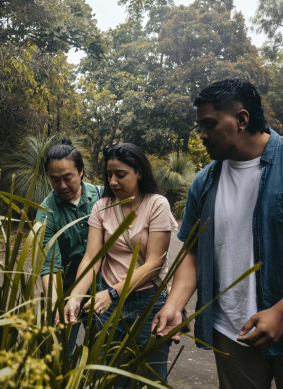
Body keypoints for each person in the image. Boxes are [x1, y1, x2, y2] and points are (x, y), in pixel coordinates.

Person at [151, 79, 283, 389]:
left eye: (209, 124)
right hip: (233, 336)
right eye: (200, 126)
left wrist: (281, 313)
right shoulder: (204, 183)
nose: (202, 134)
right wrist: (175, 304)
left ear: (242, 120)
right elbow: (192, 253)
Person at [64, 143, 178, 383]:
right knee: (109, 377)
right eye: (109, 174)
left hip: (148, 303)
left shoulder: (157, 204)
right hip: (108, 307)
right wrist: (75, 296)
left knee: (152, 378)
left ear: (139, 172)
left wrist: (112, 293)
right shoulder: (101, 207)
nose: (113, 181)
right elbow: (91, 258)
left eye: (121, 174)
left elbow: (156, 262)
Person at [35, 139, 102, 350]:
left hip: (105, 290)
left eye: (67, 178)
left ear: (81, 171)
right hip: (67, 291)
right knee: (61, 354)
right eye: (54, 180)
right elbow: (49, 265)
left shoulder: (103, 197)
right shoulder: (46, 211)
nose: (62, 186)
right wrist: (55, 304)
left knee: (104, 353)